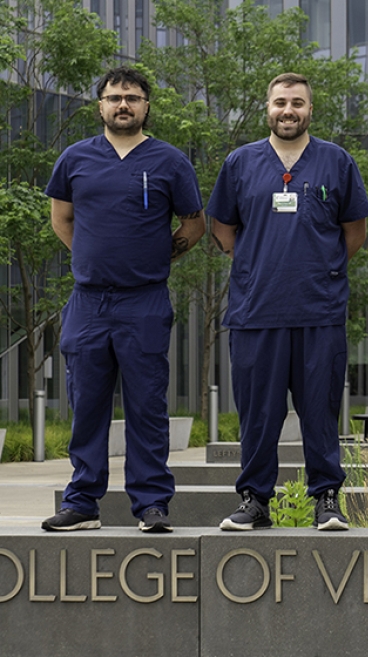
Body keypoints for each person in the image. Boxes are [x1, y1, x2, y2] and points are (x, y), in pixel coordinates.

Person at [43, 66, 205, 533]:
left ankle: (151, 504)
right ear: (100, 106)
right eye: (114, 97)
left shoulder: (171, 161)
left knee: (147, 407)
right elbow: (62, 220)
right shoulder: (75, 159)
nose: (123, 105)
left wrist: (150, 259)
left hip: (145, 302)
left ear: (146, 106)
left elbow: (193, 225)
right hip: (89, 303)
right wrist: (96, 261)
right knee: (86, 405)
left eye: (132, 97)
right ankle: (82, 503)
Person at [208, 72, 368, 531]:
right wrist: (256, 262)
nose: (288, 110)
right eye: (281, 102)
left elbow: (353, 231)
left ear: (310, 110)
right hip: (256, 311)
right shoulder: (240, 163)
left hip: (318, 310)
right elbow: (223, 226)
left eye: (297, 103)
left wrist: (320, 265)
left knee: (320, 412)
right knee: (258, 415)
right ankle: (255, 500)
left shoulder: (336, 162)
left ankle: (327, 501)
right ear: (268, 107)